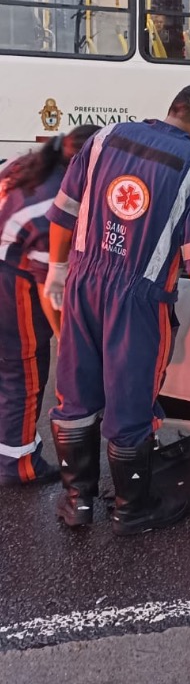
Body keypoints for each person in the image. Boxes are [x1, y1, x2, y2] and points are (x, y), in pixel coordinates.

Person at [45, 82, 190, 535]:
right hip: (137, 299)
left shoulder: (104, 139)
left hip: (82, 284)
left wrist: (56, 269)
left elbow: (64, 211)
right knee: (131, 402)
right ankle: (132, 510)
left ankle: (77, 503)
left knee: (75, 393)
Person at [0, 127, 98, 486]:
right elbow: (49, 290)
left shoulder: (25, 165)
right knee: (23, 371)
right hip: (11, 285)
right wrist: (65, 340)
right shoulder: (52, 209)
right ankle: (18, 464)